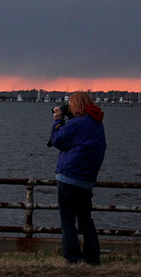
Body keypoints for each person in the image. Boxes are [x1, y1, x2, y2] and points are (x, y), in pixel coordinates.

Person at [48, 91, 106, 265]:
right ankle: (93, 259)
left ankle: (73, 259)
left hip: (69, 178)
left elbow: (57, 140)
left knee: (67, 220)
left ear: (77, 106)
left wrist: (58, 120)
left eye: (71, 105)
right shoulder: (97, 124)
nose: (70, 109)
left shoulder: (78, 123)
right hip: (86, 181)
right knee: (86, 221)